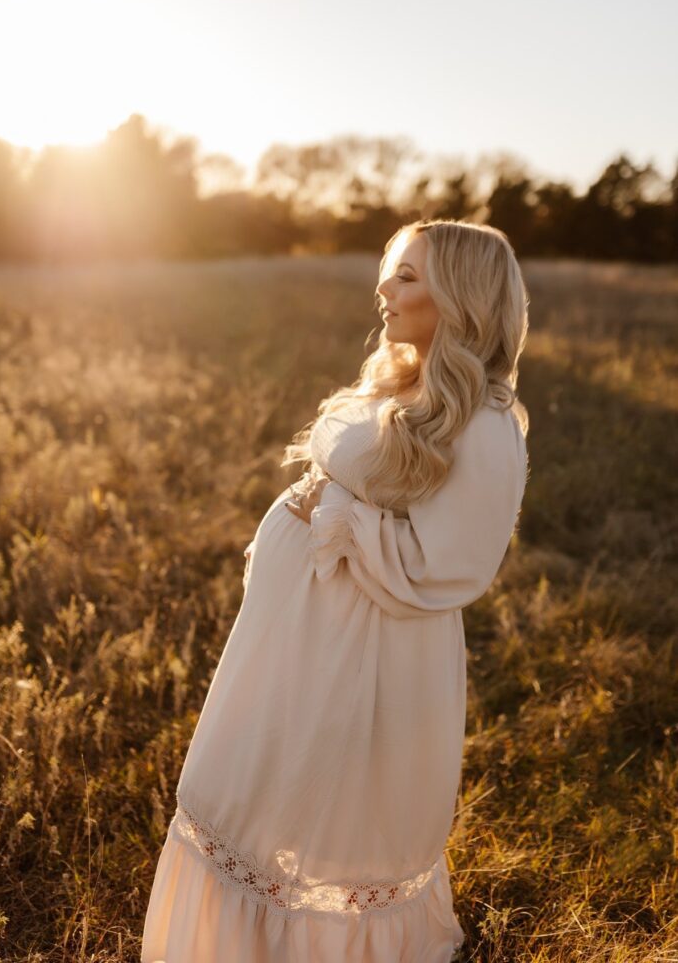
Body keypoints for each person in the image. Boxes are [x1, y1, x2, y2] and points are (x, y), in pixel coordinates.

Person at [140, 217, 530, 963]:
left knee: (333, 825)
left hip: (366, 655)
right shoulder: (407, 382)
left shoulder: (484, 427)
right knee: (256, 804)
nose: (382, 287)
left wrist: (337, 511)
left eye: (407, 275)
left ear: (461, 295)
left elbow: (449, 567)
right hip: (300, 638)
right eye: (390, 270)